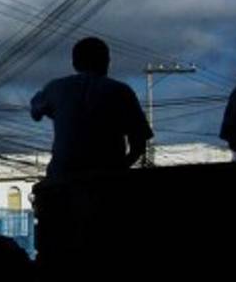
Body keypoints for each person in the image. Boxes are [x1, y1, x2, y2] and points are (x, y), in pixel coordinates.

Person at [30, 37, 153, 177]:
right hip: (106, 180)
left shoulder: (55, 88)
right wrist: (118, 169)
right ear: (106, 62)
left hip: (63, 178)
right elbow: (138, 144)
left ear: (74, 63)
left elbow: (35, 112)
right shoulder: (121, 91)